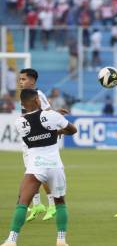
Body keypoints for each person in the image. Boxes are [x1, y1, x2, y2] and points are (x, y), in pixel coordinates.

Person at [0, 88, 77, 246]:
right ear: (37, 100)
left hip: (36, 167)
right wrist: (58, 131)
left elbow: (35, 133)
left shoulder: (19, 122)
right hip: (55, 165)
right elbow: (73, 129)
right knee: (60, 202)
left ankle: (11, 240)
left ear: (22, 104)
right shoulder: (52, 116)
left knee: (23, 202)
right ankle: (61, 239)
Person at [19, 68, 68, 222]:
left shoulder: (38, 95)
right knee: (31, 171)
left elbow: (46, 114)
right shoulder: (26, 96)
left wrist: (56, 126)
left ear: (32, 81)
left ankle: (52, 204)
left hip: (38, 142)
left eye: (23, 79)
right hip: (29, 140)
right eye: (20, 79)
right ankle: (37, 205)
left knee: (38, 173)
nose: (21, 82)